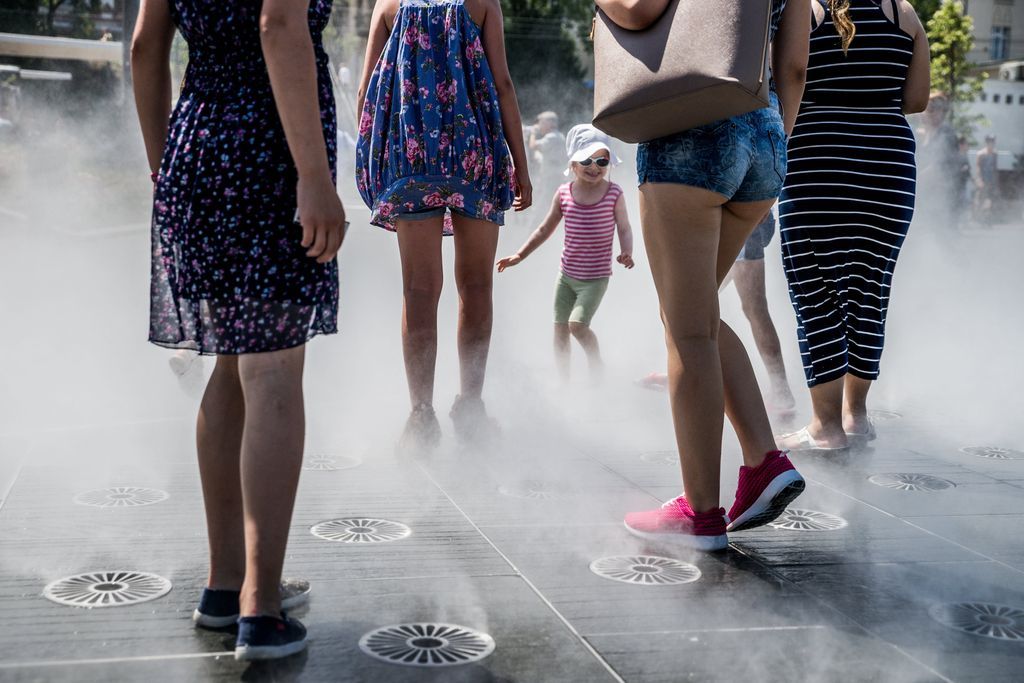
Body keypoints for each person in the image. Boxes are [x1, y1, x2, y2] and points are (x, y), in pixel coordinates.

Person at [132, 0, 346, 660]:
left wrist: (162, 164)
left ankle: (227, 586)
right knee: (273, 367)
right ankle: (261, 607)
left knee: (229, 362)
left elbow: (145, 47)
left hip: (197, 141)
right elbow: (278, 24)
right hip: (268, 149)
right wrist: (313, 175)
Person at [596, 0, 810, 551]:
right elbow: (794, 69)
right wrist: (765, 135)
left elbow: (639, 11)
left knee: (686, 330)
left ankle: (701, 512)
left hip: (688, 129)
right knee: (698, 317)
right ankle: (763, 461)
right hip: (764, 135)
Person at [356, 0, 531, 449]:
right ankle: (470, 405)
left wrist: (372, 164)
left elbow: (366, 94)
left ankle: (420, 415)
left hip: (410, 157)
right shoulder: (482, 3)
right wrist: (521, 168)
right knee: (475, 286)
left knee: (418, 289)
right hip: (474, 155)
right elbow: (504, 85)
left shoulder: (390, 4)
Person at [776, 0, 930, 452]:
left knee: (815, 289)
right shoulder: (905, 14)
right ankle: (856, 417)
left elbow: (792, 76)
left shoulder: (805, 10)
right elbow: (916, 100)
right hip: (889, 168)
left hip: (817, 160)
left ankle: (824, 427)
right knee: (870, 290)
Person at [496, 124, 635, 381]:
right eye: (586, 160)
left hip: (595, 280)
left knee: (577, 325)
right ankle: (564, 382)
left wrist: (627, 251)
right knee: (560, 330)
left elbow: (625, 228)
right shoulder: (564, 194)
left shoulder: (614, 193)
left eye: (601, 161)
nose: (594, 166)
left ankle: (596, 365)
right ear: (573, 163)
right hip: (566, 277)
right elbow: (544, 229)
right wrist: (519, 255)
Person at [529, 110, 567, 198]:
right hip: (555, 174)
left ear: (549, 123)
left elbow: (533, 145)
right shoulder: (558, 136)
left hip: (551, 176)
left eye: (541, 123)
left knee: (545, 200)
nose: (539, 126)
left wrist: (533, 133)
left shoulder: (552, 137)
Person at [976, 134, 998, 222]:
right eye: (989, 142)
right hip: (983, 179)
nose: (991, 144)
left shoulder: (995, 154)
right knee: (982, 198)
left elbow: (995, 167)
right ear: (986, 142)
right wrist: (979, 179)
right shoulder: (981, 154)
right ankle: (979, 217)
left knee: (989, 198)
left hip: (991, 180)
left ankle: (986, 218)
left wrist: (996, 181)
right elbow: (978, 167)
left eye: (992, 142)